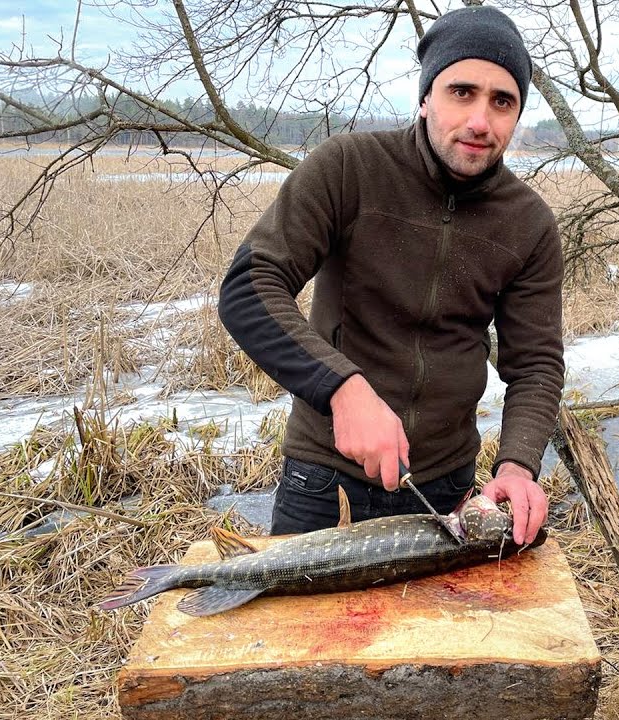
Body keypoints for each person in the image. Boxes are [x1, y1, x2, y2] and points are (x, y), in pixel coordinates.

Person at [218, 5, 564, 546]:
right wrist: (342, 389)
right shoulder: (348, 168)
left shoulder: (529, 223)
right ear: (426, 97)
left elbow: (536, 365)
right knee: (307, 631)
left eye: (503, 101)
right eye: (461, 92)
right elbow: (250, 285)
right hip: (325, 479)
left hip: (448, 489)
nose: (480, 120)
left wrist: (517, 467)